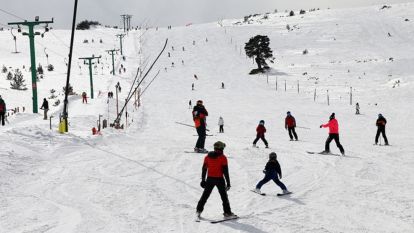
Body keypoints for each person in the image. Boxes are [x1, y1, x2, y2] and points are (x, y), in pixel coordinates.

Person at [196, 141, 235, 218]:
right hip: (219, 180)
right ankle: (227, 213)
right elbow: (225, 172)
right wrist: (228, 183)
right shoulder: (223, 158)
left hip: (210, 179)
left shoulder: (207, 157)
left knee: (205, 196)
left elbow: (204, 169)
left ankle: (198, 211)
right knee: (224, 197)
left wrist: (203, 180)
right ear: (221, 148)